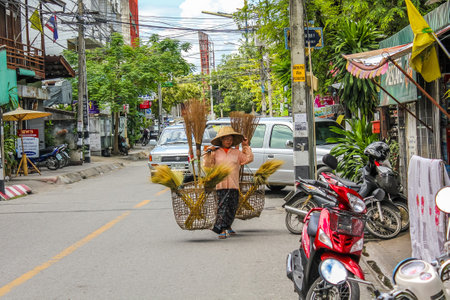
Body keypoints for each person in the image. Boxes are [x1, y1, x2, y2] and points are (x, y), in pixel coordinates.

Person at [204, 126, 254, 239]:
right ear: (221, 140)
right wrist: (209, 153)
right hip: (220, 184)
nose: (228, 141)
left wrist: (245, 145)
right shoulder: (215, 152)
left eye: (230, 139)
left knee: (232, 206)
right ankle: (220, 229)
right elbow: (207, 165)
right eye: (226, 139)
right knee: (222, 207)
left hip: (233, 184)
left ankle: (228, 226)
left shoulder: (236, 153)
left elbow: (248, 159)